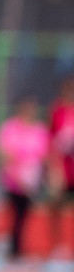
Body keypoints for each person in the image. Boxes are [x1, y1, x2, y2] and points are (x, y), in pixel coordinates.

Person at [0, 95, 48, 262]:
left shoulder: (39, 130)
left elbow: (43, 156)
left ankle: (17, 251)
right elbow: (5, 155)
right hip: (12, 181)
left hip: (31, 183)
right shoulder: (10, 128)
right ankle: (8, 250)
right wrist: (18, 176)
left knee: (24, 218)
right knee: (11, 216)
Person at [47, 77, 74, 258]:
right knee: (56, 206)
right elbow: (51, 141)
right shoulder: (57, 111)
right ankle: (57, 246)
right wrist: (54, 169)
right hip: (62, 167)